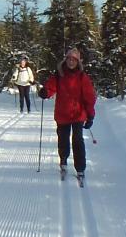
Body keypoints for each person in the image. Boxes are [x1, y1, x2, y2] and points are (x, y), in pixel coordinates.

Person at [39, 46, 98, 184]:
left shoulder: (82, 77)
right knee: (63, 139)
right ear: (66, 60)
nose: (71, 62)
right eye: (69, 59)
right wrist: (45, 92)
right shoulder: (59, 75)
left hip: (78, 114)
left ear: (78, 62)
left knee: (78, 140)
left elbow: (89, 97)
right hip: (62, 113)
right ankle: (64, 160)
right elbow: (51, 87)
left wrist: (90, 115)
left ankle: (80, 168)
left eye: (74, 60)